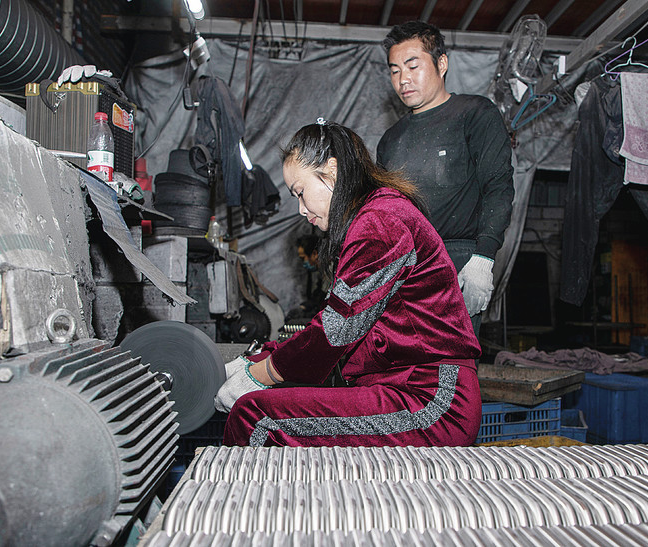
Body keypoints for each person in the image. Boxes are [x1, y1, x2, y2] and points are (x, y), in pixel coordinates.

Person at [213, 120, 482, 448]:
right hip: (400, 389)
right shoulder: (375, 216)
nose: (300, 209)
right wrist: (256, 359)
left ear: (331, 170)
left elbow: (336, 330)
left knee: (254, 414)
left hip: (432, 401)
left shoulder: (380, 223)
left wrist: (261, 374)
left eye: (300, 192)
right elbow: (338, 320)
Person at [376, 21, 514, 339]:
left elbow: (498, 185)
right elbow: (385, 212)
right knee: (403, 372)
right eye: (394, 70)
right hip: (404, 268)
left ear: (441, 63)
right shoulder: (390, 140)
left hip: (457, 261)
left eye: (412, 66)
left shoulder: (475, 114)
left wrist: (483, 258)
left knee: (449, 376)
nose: (403, 79)